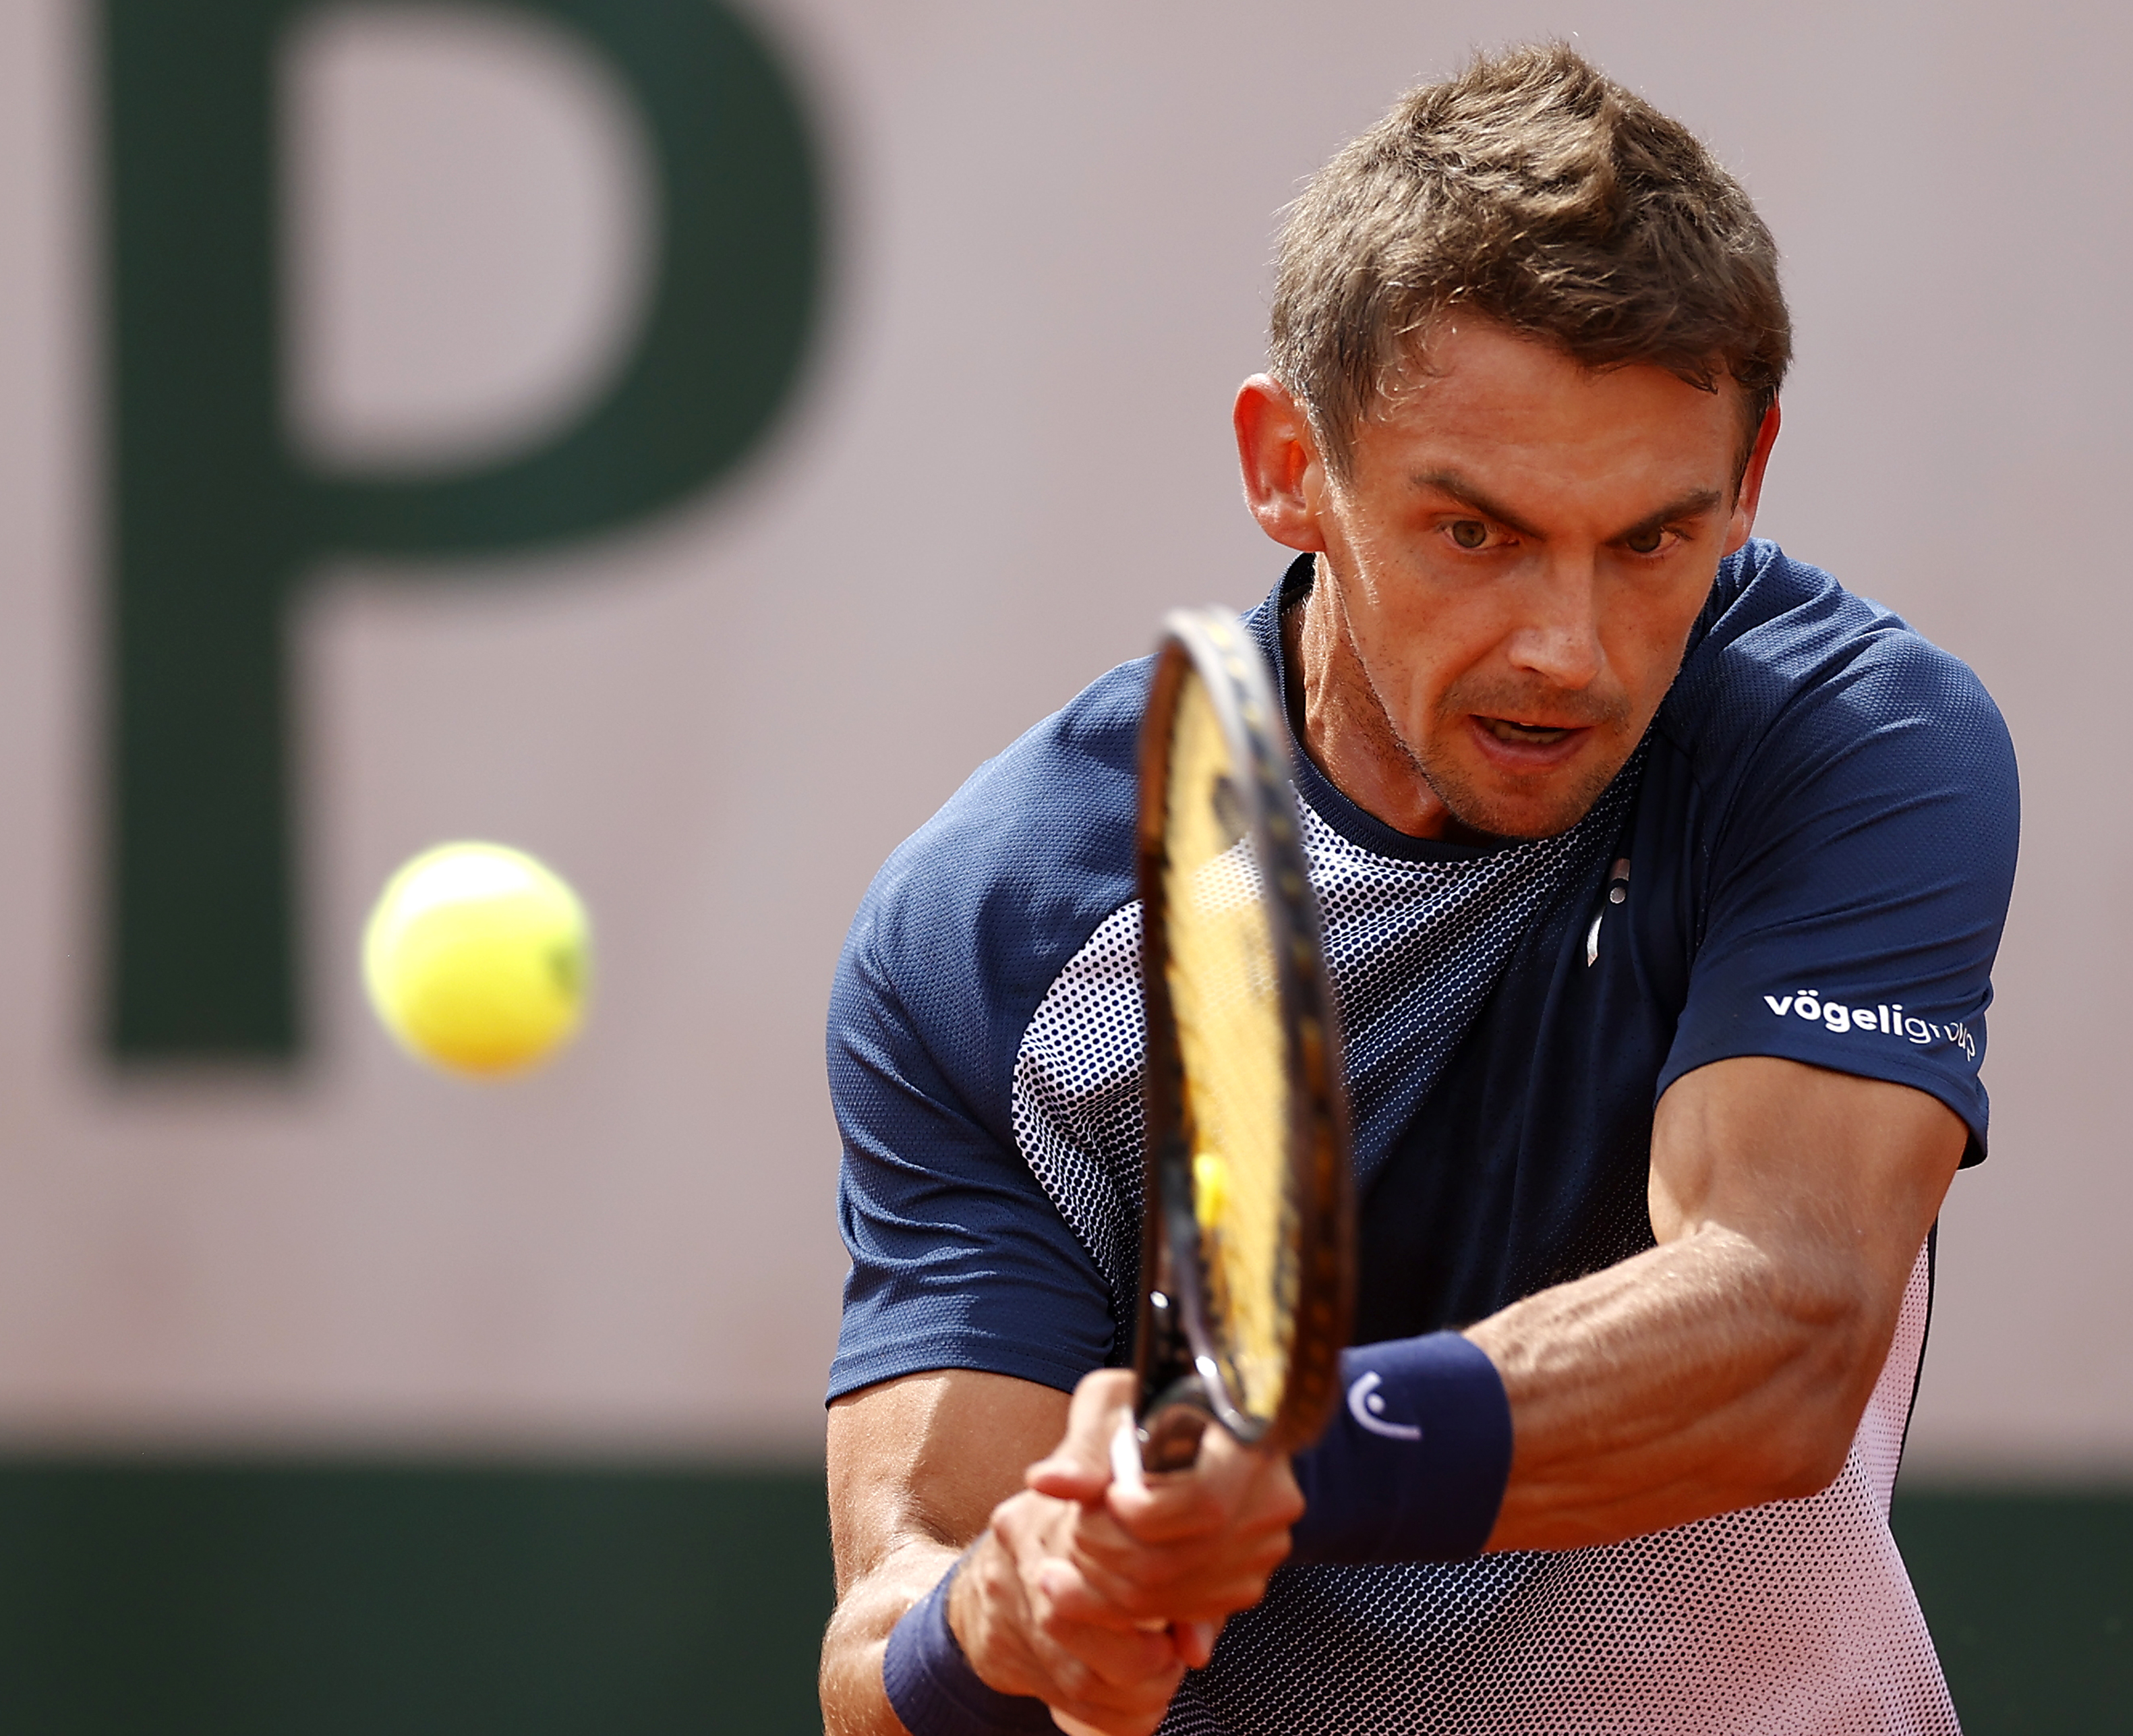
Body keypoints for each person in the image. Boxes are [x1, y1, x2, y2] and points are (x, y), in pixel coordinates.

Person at [819, 41, 2018, 1736]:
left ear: (1745, 485)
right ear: (1286, 465)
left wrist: (1265, 1452)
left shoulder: (1842, 743)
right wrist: (1012, 1616)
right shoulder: (1002, 930)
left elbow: (1788, 1332)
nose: (1567, 648)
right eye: (1476, 533)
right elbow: (886, 1643)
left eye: (1652, 542)